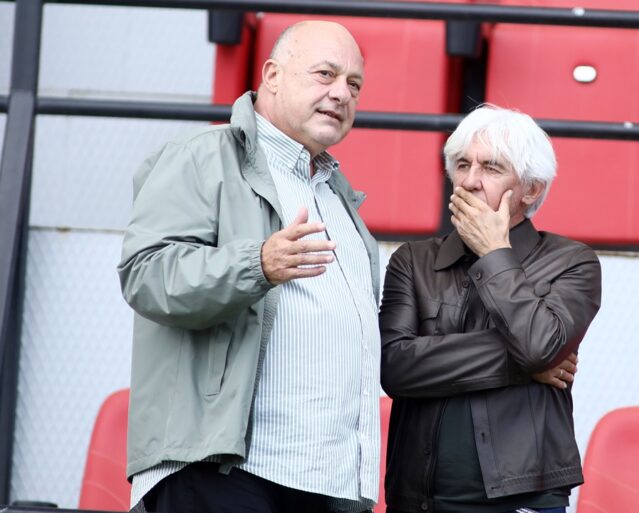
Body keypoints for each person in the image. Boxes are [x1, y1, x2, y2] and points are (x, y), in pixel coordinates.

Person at [118, 21, 380, 513]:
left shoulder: (338, 196)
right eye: (325, 74)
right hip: (223, 469)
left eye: (354, 84)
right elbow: (147, 274)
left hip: (324, 481)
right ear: (272, 75)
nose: (341, 93)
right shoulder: (200, 158)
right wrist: (257, 263)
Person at [379, 105, 602, 513]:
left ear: (531, 189)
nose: (469, 181)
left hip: (525, 498)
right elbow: (395, 367)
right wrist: (525, 365)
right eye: (462, 165)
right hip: (420, 500)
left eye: (491, 168)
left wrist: (495, 252)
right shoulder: (412, 260)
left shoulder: (572, 261)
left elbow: (540, 348)